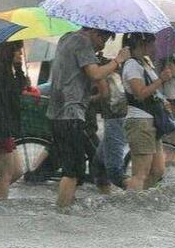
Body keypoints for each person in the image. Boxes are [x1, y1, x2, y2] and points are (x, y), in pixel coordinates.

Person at [47, 27, 130, 207]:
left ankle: (64, 210)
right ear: (95, 32)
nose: (101, 46)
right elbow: (95, 73)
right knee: (73, 172)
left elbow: (75, 73)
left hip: (56, 112)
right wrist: (118, 60)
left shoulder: (66, 37)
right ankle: (62, 214)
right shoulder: (83, 42)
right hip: (70, 114)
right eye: (103, 40)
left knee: (72, 168)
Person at [121, 33, 173, 191]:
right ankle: (130, 204)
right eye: (151, 43)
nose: (154, 47)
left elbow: (153, 92)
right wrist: (161, 80)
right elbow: (140, 93)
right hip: (140, 121)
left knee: (158, 171)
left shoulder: (144, 63)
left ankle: (140, 202)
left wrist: (163, 101)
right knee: (140, 173)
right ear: (141, 43)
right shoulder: (131, 65)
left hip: (152, 120)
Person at [0, 41, 29, 199]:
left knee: (16, 172)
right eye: (17, 51)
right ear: (9, 51)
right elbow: (11, 96)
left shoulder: (7, 70)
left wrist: (19, 69)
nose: (20, 54)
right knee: (6, 173)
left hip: (4, 127)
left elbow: (18, 90)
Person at [93, 53, 128, 193]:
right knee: (98, 166)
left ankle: (139, 195)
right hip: (119, 118)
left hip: (115, 119)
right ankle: (107, 201)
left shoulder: (101, 72)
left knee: (114, 171)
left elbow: (105, 94)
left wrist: (89, 100)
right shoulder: (116, 72)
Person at [156, 52, 175, 166]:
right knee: (172, 128)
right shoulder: (167, 54)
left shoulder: (173, 55)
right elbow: (171, 73)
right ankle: (168, 157)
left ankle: (172, 156)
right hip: (170, 97)